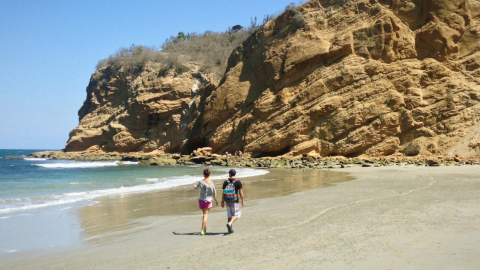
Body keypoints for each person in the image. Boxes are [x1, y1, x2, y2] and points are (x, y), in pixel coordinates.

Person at [194, 168, 218, 235]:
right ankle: (202, 230)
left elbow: (197, 188)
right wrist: (216, 201)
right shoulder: (211, 183)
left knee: (204, 215)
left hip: (201, 200)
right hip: (208, 200)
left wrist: (194, 186)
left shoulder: (201, 182)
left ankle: (204, 229)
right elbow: (214, 193)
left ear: (203, 175)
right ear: (209, 174)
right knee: (205, 215)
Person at [221, 169, 244, 233]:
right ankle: (230, 224)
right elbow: (241, 192)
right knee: (237, 214)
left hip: (227, 201)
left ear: (230, 174)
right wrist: (242, 200)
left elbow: (223, 192)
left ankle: (230, 229)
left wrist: (222, 201)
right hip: (234, 201)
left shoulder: (226, 181)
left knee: (229, 215)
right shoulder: (237, 182)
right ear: (235, 174)